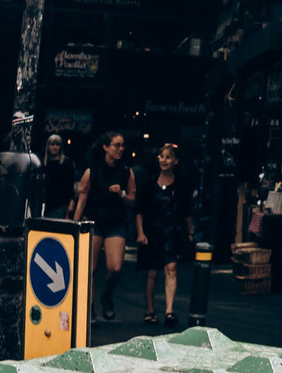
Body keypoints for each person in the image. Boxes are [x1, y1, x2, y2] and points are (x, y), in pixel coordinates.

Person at [71, 132, 136, 323]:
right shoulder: (92, 170)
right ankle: (90, 307)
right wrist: (74, 225)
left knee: (115, 267)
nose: (120, 149)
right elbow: (81, 200)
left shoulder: (126, 172)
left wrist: (122, 194)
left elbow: (133, 200)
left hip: (116, 222)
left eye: (122, 145)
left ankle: (107, 295)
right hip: (94, 221)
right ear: (105, 147)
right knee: (90, 268)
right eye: (116, 145)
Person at [136, 142, 195, 327]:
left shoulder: (181, 184)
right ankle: (150, 310)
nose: (164, 160)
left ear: (176, 161)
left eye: (168, 157)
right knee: (152, 272)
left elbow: (186, 211)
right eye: (161, 156)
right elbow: (140, 209)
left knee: (171, 268)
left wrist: (190, 233)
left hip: (172, 231)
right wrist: (140, 232)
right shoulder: (150, 181)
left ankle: (169, 311)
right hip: (152, 231)